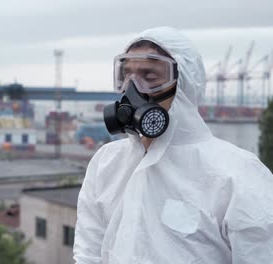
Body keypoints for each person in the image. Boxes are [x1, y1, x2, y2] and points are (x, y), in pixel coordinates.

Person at [73, 26, 273, 264]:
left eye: (150, 77)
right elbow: (88, 254)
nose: (134, 89)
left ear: (184, 85)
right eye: (126, 76)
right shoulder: (106, 163)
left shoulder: (237, 173)